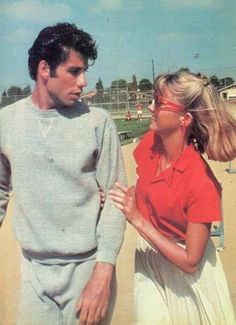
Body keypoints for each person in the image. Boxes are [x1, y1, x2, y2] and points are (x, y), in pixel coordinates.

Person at [0, 22, 126, 325]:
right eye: (74, 71)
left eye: (84, 71)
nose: (83, 81)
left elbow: (116, 199)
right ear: (45, 69)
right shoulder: (6, 122)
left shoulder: (98, 122)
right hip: (33, 274)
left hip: (87, 271)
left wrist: (103, 273)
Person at [110, 70, 236, 324]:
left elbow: (190, 261)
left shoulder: (201, 182)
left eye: (159, 102)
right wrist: (122, 196)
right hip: (150, 258)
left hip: (188, 275)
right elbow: (150, 189)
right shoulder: (149, 144)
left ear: (184, 119)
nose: (150, 106)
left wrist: (138, 220)